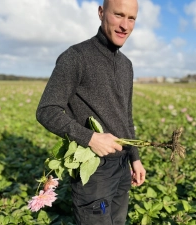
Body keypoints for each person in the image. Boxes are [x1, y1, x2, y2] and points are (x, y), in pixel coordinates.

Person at [36, 0, 145, 224]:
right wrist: (90, 138)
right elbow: (47, 110)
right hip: (94, 172)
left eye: (131, 18)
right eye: (118, 15)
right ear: (101, 13)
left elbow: (126, 116)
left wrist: (134, 158)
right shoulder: (76, 57)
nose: (125, 25)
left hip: (122, 167)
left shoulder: (127, 65)